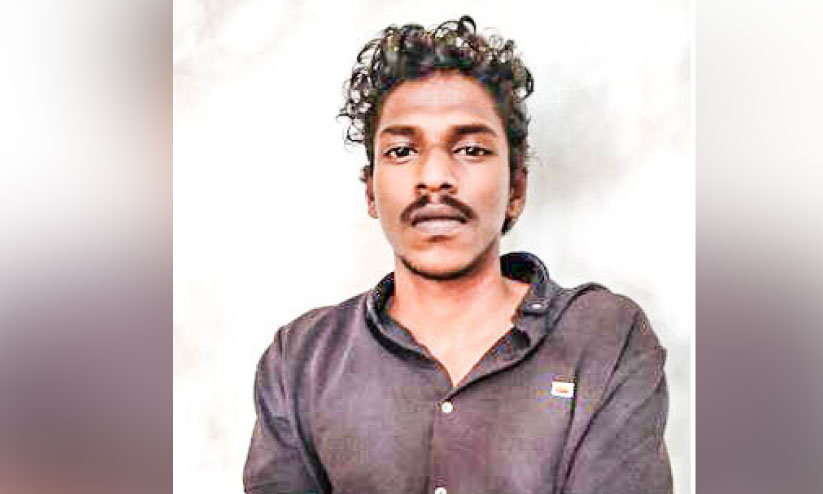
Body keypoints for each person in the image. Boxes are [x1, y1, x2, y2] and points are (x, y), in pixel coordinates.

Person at [243, 15, 672, 494]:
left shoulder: (604, 339)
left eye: (470, 149)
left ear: (516, 189)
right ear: (370, 191)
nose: (434, 178)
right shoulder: (301, 360)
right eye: (402, 151)